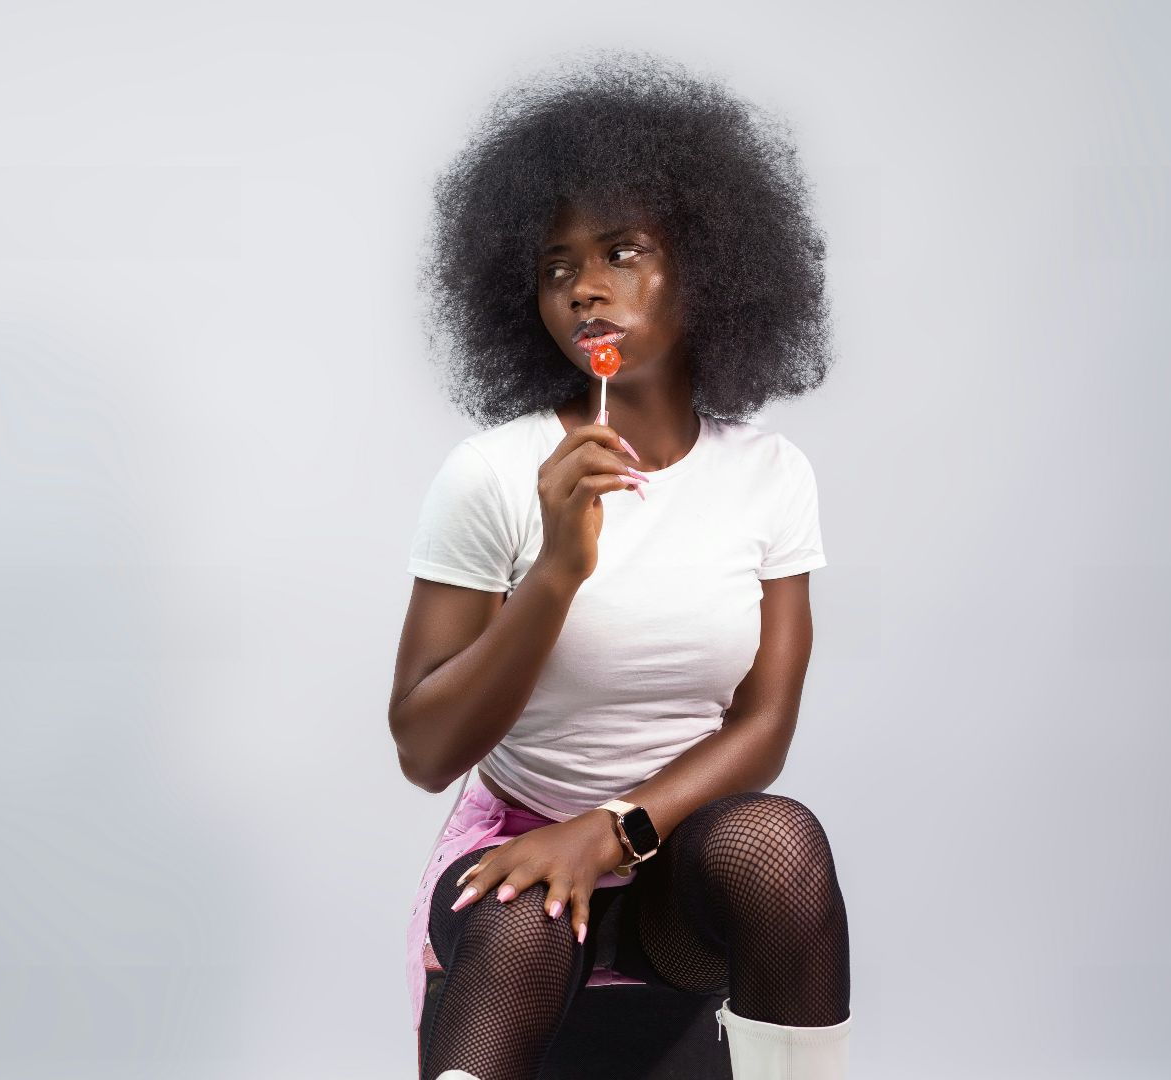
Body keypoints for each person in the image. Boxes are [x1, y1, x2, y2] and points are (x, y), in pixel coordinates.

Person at [389, 53, 852, 1080]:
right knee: (521, 913)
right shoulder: (494, 474)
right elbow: (423, 750)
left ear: (709, 265)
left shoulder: (770, 476)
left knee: (777, 846)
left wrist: (613, 831)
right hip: (516, 852)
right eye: (557, 267)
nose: (585, 288)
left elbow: (765, 724)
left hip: (672, 856)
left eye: (622, 252)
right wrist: (556, 572)